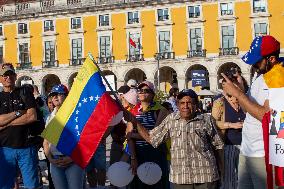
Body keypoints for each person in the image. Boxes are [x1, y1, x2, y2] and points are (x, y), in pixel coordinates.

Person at [125, 89, 224, 189]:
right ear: (177, 105)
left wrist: (221, 170)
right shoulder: (171, 119)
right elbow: (153, 139)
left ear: (196, 105)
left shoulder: (206, 119)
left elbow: (218, 146)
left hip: (206, 175)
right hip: (181, 177)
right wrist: (135, 122)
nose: (185, 106)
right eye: (182, 103)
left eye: (189, 103)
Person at [221, 35, 283, 189]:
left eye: (257, 61)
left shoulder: (279, 78)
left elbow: (266, 116)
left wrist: (238, 94)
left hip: (263, 155)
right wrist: (241, 90)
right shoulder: (261, 74)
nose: (254, 65)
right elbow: (248, 109)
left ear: (272, 59)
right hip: (247, 150)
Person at [0, 63, 40, 189]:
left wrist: (7, 122)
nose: (8, 77)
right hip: (5, 149)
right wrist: (18, 113)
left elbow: (32, 116)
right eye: (5, 75)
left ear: (15, 76)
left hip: (26, 148)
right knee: (5, 185)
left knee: (31, 186)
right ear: (0, 78)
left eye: (10, 74)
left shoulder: (25, 92)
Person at [127, 81, 170, 189]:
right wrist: (133, 158)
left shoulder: (161, 110)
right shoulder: (133, 111)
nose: (141, 92)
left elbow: (155, 136)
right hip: (138, 153)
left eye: (146, 90)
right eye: (140, 90)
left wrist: (134, 135)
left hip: (156, 153)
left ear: (152, 94)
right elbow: (128, 136)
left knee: (157, 184)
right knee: (138, 184)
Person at [43, 84, 85, 189]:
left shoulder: (75, 115)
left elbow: (83, 139)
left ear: (66, 96)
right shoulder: (50, 117)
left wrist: (72, 158)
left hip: (74, 160)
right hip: (55, 162)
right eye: (53, 95)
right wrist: (50, 159)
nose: (55, 97)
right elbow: (46, 141)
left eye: (59, 94)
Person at [212, 74, 246, 189]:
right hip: (228, 145)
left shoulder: (245, 101)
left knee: (244, 178)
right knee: (229, 178)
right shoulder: (220, 102)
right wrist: (231, 125)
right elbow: (212, 123)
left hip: (246, 146)